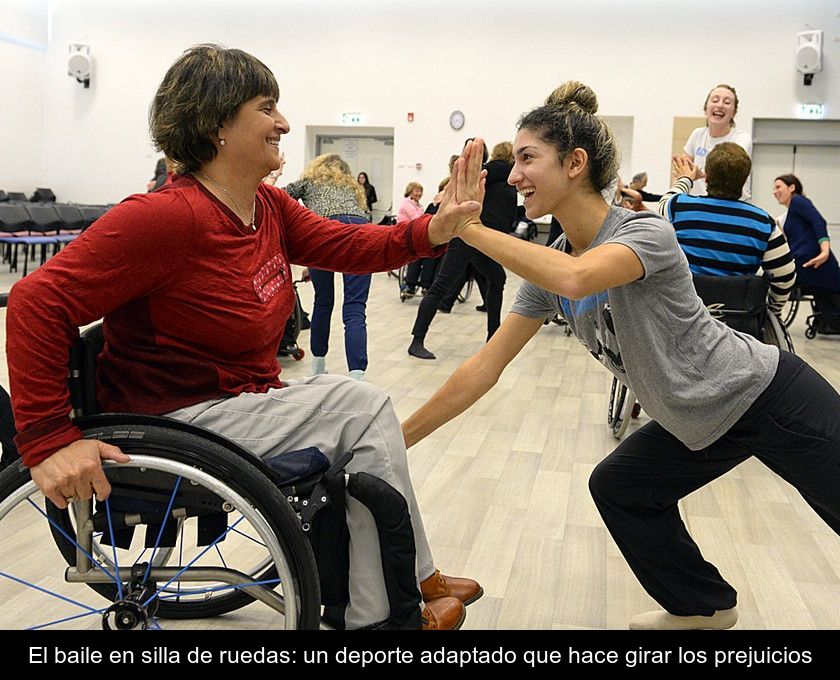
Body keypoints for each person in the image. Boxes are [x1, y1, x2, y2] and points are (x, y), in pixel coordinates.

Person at [5, 44, 485, 631]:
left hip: (237, 404)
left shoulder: (265, 206)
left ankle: (405, 582)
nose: (283, 122)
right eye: (267, 107)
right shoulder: (165, 218)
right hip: (177, 419)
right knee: (361, 405)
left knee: (359, 411)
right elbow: (35, 302)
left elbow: (349, 245)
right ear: (216, 126)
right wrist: (48, 440)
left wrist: (433, 229)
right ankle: (382, 615)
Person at [403, 81, 840, 630]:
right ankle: (702, 607)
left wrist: (468, 229)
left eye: (526, 159)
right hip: (695, 419)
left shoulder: (644, 232)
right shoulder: (552, 263)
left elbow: (579, 278)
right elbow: (483, 368)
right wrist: (399, 438)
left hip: (765, 394)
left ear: (575, 164)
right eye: (512, 161)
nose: (512, 176)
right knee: (621, 487)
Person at [407, 140, 514, 360]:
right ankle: (416, 340)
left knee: (496, 278)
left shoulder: (504, 178)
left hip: (481, 239)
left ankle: (493, 338)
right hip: (468, 237)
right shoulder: (499, 170)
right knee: (440, 286)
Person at [660, 144, 796, 315]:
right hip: (738, 322)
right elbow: (785, 277)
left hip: (683, 314)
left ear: (707, 177)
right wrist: (773, 311)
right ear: (744, 180)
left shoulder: (679, 207)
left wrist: (686, 179)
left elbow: (664, 201)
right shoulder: (763, 222)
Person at [284, 154, 373, 380]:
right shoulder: (352, 187)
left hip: (322, 232)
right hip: (360, 233)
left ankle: (318, 365)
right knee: (355, 306)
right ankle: (357, 374)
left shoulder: (309, 182)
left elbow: (278, 197)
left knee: (323, 301)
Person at [773, 174, 840, 332]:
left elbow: (818, 221)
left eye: (778, 187)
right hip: (809, 266)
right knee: (832, 313)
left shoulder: (798, 201)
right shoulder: (791, 212)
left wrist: (824, 251)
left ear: (792, 188)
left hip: (817, 265)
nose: (774, 192)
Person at [680, 84, 752, 200]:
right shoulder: (697, 134)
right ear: (705, 109)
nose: (720, 105)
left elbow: (729, 168)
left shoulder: (742, 138)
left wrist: (699, 174)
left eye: (727, 102)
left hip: (733, 206)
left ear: (734, 113)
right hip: (700, 204)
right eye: (715, 100)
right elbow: (684, 170)